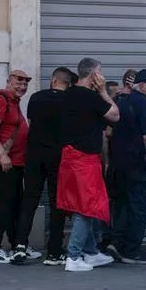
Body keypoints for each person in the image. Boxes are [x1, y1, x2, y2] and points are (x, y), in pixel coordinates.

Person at [59, 58, 120, 272]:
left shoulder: (67, 95)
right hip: (84, 159)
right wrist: (103, 91)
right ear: (93, 75)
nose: (102, 76)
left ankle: (91, 252)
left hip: (71, 157)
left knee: (89, 205)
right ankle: (74, 257)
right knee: (86, 208)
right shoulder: (91, 97)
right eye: (100, 73)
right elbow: (115, 115)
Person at [14, 67, 73, 266]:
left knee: (29, 199)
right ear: (67, 83)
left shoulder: (36, 97)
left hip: (34, 155)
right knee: (57, 203)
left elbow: (30, 123)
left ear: (54, 79)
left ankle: (20, 245)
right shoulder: (70, 101)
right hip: (58, 157)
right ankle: (54, 250)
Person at [103, 68, 146, 265]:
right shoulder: (145, 105)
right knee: (139, 208)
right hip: (138, 166)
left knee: (122, 207)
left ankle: (115, 244)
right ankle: (130, 251)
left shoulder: (122, 101)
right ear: (143, 86)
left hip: (120, 165)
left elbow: (110, 132)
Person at [0, 69, 31, 264]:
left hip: (16, 163)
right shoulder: (0, 100)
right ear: (8, 82)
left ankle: (17, 246)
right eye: (18, 82)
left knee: (14, 205)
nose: (22, 86)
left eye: (25, 83)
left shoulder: (14, 102)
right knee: (2, 206)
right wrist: (2, 155)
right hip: (5, 164)